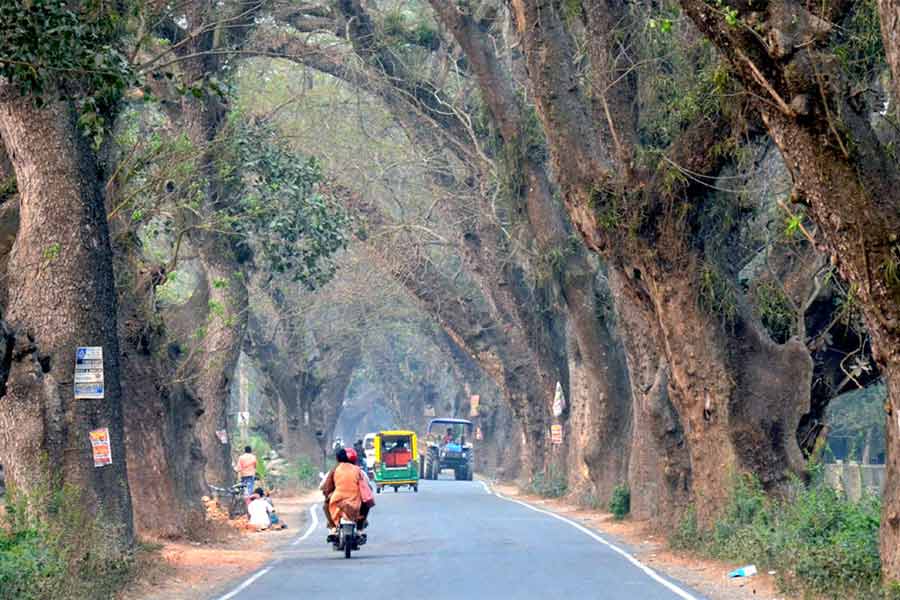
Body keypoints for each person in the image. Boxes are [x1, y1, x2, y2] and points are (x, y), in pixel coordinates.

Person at [320, 448, 373, 539]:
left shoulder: (334, 470)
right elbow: (367, 486)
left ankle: (333, 527)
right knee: (366, 504)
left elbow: (326, 486)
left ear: (337, 459)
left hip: (337, 499)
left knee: (325, 505)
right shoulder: (359, 470)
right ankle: (360, 528)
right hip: (355, 500)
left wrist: (327, 494)